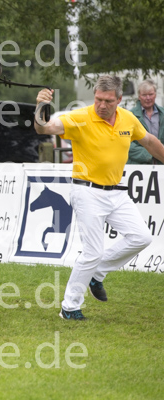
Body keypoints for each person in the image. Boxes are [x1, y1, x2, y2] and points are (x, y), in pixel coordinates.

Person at [34, 75, 164, 320]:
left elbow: (148, 141)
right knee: (92, 252)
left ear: (119, 100)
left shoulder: (128, 118)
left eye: (108, 101)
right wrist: (41, 106)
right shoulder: (79, 117)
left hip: (117, 191)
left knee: (142, 237)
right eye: (98, 99)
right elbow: (44, 128)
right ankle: (69, 307)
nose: (102, 105)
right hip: (87, 191)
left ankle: (98, 272)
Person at [127, 79, 164, 164]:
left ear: (155, 95)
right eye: (144, 95)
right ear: (139, 96)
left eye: (150, 94)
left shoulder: (163, 113)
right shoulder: (129, 115)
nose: (148, 98)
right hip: (139, 165)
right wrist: (150, 154)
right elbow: (125, 141)